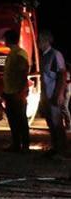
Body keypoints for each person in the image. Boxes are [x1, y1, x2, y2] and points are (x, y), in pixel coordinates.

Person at [37, 30, 67, 158]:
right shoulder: (44, 56)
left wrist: (59, 94)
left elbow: (62, 74)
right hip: (46, 95)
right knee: (50, 123)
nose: (37, 43)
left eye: (39, 40)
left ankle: (62, 151)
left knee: (57, 123)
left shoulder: (55, 54)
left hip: (53, 94)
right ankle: (55, 148)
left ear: (45, 41)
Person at [1, 28, 31, 153]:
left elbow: (23, 73)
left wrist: (21, 90)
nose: (3, 41)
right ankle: (16, 144)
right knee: (13, 120)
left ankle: (24, 146)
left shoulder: (19, 53)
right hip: (10, 92)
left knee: (21, 119)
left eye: (4, 39)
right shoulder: (13, 53)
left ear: (8, 40)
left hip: (17, 93)